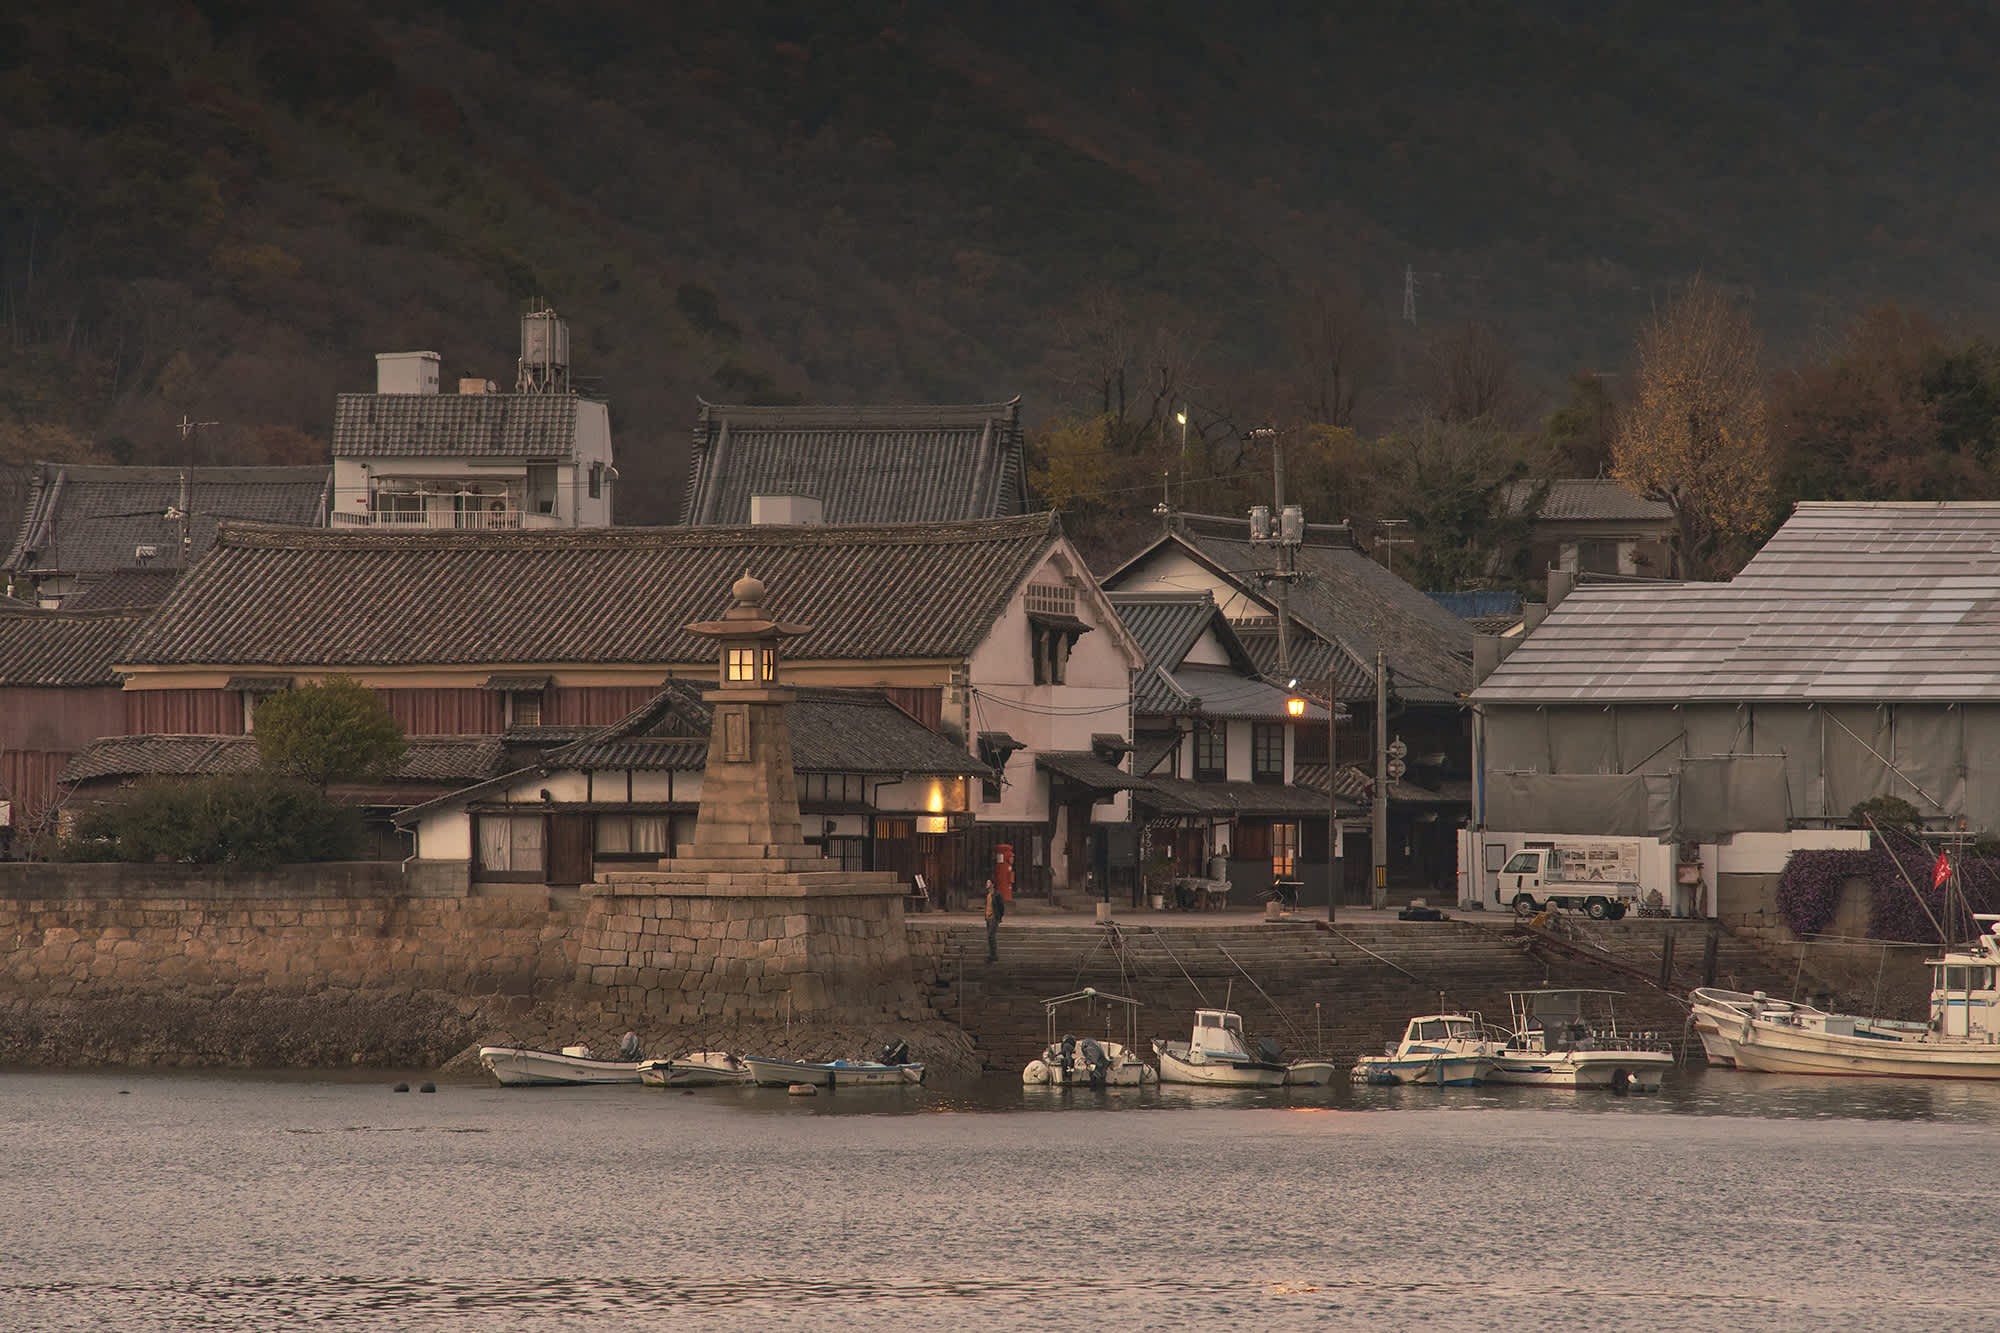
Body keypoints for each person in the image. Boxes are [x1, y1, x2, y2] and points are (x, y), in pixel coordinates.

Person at [984, 876, 1005, 962]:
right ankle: (992, 954)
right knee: (990, 937)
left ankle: (994, 955)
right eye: (986, 883)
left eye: (988, 883)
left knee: (991, 935)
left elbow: (1001, 907)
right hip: (988, 917)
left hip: (994, 917)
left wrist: (999, 917)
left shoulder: (997, 895)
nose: (987, 884)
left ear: (992, 885)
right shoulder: (988, 895)